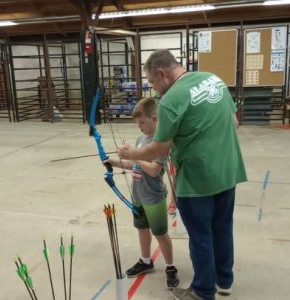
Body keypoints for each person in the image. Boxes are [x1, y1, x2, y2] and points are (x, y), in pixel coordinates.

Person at [117, 49, 247, 300]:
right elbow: (234, 121)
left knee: (200, 236)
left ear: (162, 73)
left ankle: (203, 292)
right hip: (228, 170)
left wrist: (132, 154)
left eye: (153, 83)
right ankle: (224, 281)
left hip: (197, 180)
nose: (155, 90)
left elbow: (160, 148)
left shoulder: (171, 99)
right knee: (222, 227)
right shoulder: (213, 80)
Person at [105, 97, 179, 290]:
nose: (139, 127)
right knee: (142, 230)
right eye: (137, 123)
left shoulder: (160, 142)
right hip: (138, 195)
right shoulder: (140, 140)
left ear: (154, 119)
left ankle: (170, 267)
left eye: (142, 123)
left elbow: (154, 169)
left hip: (153, 197)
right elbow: (133, 164)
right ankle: (146, 261)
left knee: (161, 234)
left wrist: (134, 155)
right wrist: (114, 162)